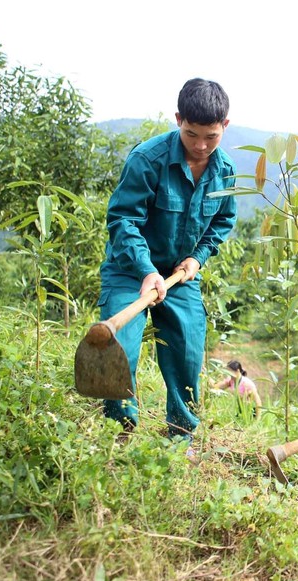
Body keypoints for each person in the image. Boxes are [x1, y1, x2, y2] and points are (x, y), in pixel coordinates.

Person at [99, 78, 237, 447]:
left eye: (211, 136)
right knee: (119, 350)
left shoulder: (224, 171)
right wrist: (146, 271)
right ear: (178, 119)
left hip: (179, 275)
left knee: (188, 354)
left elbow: (223, 221)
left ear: (225, 126)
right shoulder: (148, 159)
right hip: (131, 271)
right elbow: (123, 220)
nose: (201, 145)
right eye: (192, 134)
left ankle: (180, 436)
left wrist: (197, 256)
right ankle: (119, 434)